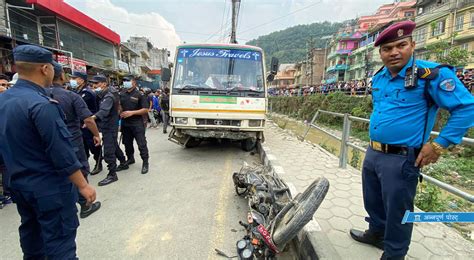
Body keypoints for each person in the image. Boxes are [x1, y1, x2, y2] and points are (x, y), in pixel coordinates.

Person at [349, 21, 474, 260]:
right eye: (387, 48)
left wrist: (440, 143)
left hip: (402, 158)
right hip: (374, 153)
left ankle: (394, 254)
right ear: (380, 53)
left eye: (401, 45)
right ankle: (376, 234)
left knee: (398, 212)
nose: (394, 52)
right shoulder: (379, 78)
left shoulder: (432, 75)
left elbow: (467, 108)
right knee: (373, 201)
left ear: (412, 45)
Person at [0, 44, 97, 259]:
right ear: (45, 69)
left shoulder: (3, 101)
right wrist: (83, 185)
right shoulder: (42, 105)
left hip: (20, 186)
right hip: (50, 190)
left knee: (33, 242)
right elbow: (60, 152)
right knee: (60, 246)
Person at [49, 62, 102, 218]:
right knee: (78, 170)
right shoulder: (70, 95)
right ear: (62, 76)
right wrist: (96, 134)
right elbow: (88, 120)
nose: (72, 79)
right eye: (70, 77)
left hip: (48, 144)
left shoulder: (36, 95)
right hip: (71, 140)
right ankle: (85, 205)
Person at [90, 75, 128, 186]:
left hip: (110, 127)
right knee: (114, 146)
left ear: (104, 84)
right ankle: (123, 162)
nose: (94, 86)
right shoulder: (104, 94)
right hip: (108, 125)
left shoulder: (108, 96)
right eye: (93, 84)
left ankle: (112, 174)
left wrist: (91, 119)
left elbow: (103, 112)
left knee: (108, 151)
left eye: (96, 84)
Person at [70, 71, 103, 175]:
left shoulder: (87, 93)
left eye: (75, 78)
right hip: (80, 124)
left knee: (93, 145)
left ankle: (98, 164)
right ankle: (84, 165)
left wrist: (89, 121)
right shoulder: (75, 92)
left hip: (89, 123)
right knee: (83, 146)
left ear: (81, 80)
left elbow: (93, 110)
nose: (72, 80)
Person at [119, 75, 150, 174]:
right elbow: (119, 106)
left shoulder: (139, 94)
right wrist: (120, 111)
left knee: (141, 144)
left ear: (134, 83)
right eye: (124, 81)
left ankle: (145, 162)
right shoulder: (122, 93)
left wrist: (132, 113)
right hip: (125, 123)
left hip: (137, 123)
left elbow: (145, 110)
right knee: (127, 143)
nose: (125, 82)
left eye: (128, 80)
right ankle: (130, 158)